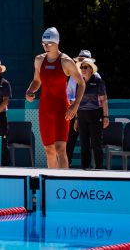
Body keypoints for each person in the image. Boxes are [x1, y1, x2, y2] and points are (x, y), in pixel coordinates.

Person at [25, 27, 85, 169]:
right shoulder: (39, 60)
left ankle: (63, 183)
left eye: (49, 43)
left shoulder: (66, 61)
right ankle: (51, 182)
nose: (46, 46)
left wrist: (75, 105)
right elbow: (37, 81)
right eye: (44, 43)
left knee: (60, 149)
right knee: (49, 150)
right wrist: (30, 91)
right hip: (45, 109)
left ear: (57, 42)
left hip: (61, 110)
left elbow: (81, 83)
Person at [74, 58, 108, 169]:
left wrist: (106, 116)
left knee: (96, 144)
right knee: (84, 144)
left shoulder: (98, 80)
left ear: (91, 68)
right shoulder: (79, 82)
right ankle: (84, 168)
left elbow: (104, 100)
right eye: (81, 67)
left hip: (95, 114)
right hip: (82, 115)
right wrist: (76, 119)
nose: (83, 69)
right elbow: (77, 101)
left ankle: (99, 168)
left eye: (85, 67)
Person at [66, 49, 94, 166]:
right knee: (69, 142)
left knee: (86, 143)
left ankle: (86, 169)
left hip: (88, 114)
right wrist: (77, 103)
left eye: (85, 61)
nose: (82, 64)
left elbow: (98, 98)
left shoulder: (96, 77)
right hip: (74, 113)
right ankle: (65, 168)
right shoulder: (73, 77)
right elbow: (69, 96)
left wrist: (78, 101)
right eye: (80, 60)